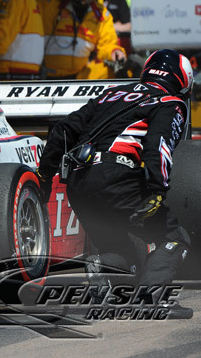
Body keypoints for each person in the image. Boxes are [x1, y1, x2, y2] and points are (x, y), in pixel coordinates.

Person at [36, 49, 193, 317]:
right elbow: (159, 145)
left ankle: (103, 272)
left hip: (78, 182)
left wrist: (44, 176)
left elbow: (63, 130)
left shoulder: (111, 94)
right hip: (117, 178)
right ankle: (151, 300)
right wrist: (157, 190)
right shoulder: (170, 102)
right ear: (183, 81)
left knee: (117, 245)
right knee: (174, 238)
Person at [36, 0, 126, 80]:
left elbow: (107, 44)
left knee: (116, 71)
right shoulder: (46, 3)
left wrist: (114, 52)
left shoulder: (100, 14)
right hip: (45, 76)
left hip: (79, 77)